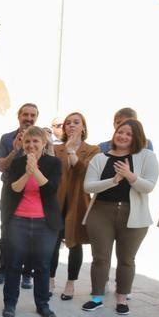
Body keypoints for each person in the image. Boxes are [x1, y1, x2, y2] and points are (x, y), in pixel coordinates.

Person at [82, 119, 159, 315]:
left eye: (129, 134)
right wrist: (113, 181)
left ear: (136, 137)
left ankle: (122, 299)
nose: (123, 136)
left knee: (126, 259)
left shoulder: (147, 156)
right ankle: (97, 297)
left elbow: (148, 186)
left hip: (133, 214)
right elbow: (88, 186)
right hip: (101, 212)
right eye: (120, 132)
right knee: (100, 258)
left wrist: (129, 175)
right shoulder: (100, 158)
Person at [0, 126, 62, 317]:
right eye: (27, 142)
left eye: (35, 141)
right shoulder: (17, 164)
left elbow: (50, 189)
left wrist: (35, 170)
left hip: (45, 223)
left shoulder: (54, 163)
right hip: (18, 220)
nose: (31, 145)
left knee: (43, 265)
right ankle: (10, 303)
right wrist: (27, 172)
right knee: (14, 264)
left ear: (44, 143)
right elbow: (13, 189)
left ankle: (42, 304)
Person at [50, 112, 100, 300]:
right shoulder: (56, 149)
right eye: (68, 123)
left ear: (83, 128)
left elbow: (83, 171)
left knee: (75, 243)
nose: (71, 125)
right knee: (53, 243)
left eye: (76, 122)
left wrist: (72, 151)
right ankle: (50, 279)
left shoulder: (92, 150)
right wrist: (66, 149)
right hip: (57, 201)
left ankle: (70, 283)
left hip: (79, 202)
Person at [0, 103, 39, 289]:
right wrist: (15, 149)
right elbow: (1, 167)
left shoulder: (41, 138)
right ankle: (3, 269)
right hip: (10, 191)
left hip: (34, 191)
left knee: (31, 234)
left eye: (32, 115)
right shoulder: (6, 138)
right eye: (25, 114)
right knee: (6, 232)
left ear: (36, 117)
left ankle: (27, 273)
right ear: (18, 116)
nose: (28, 118)